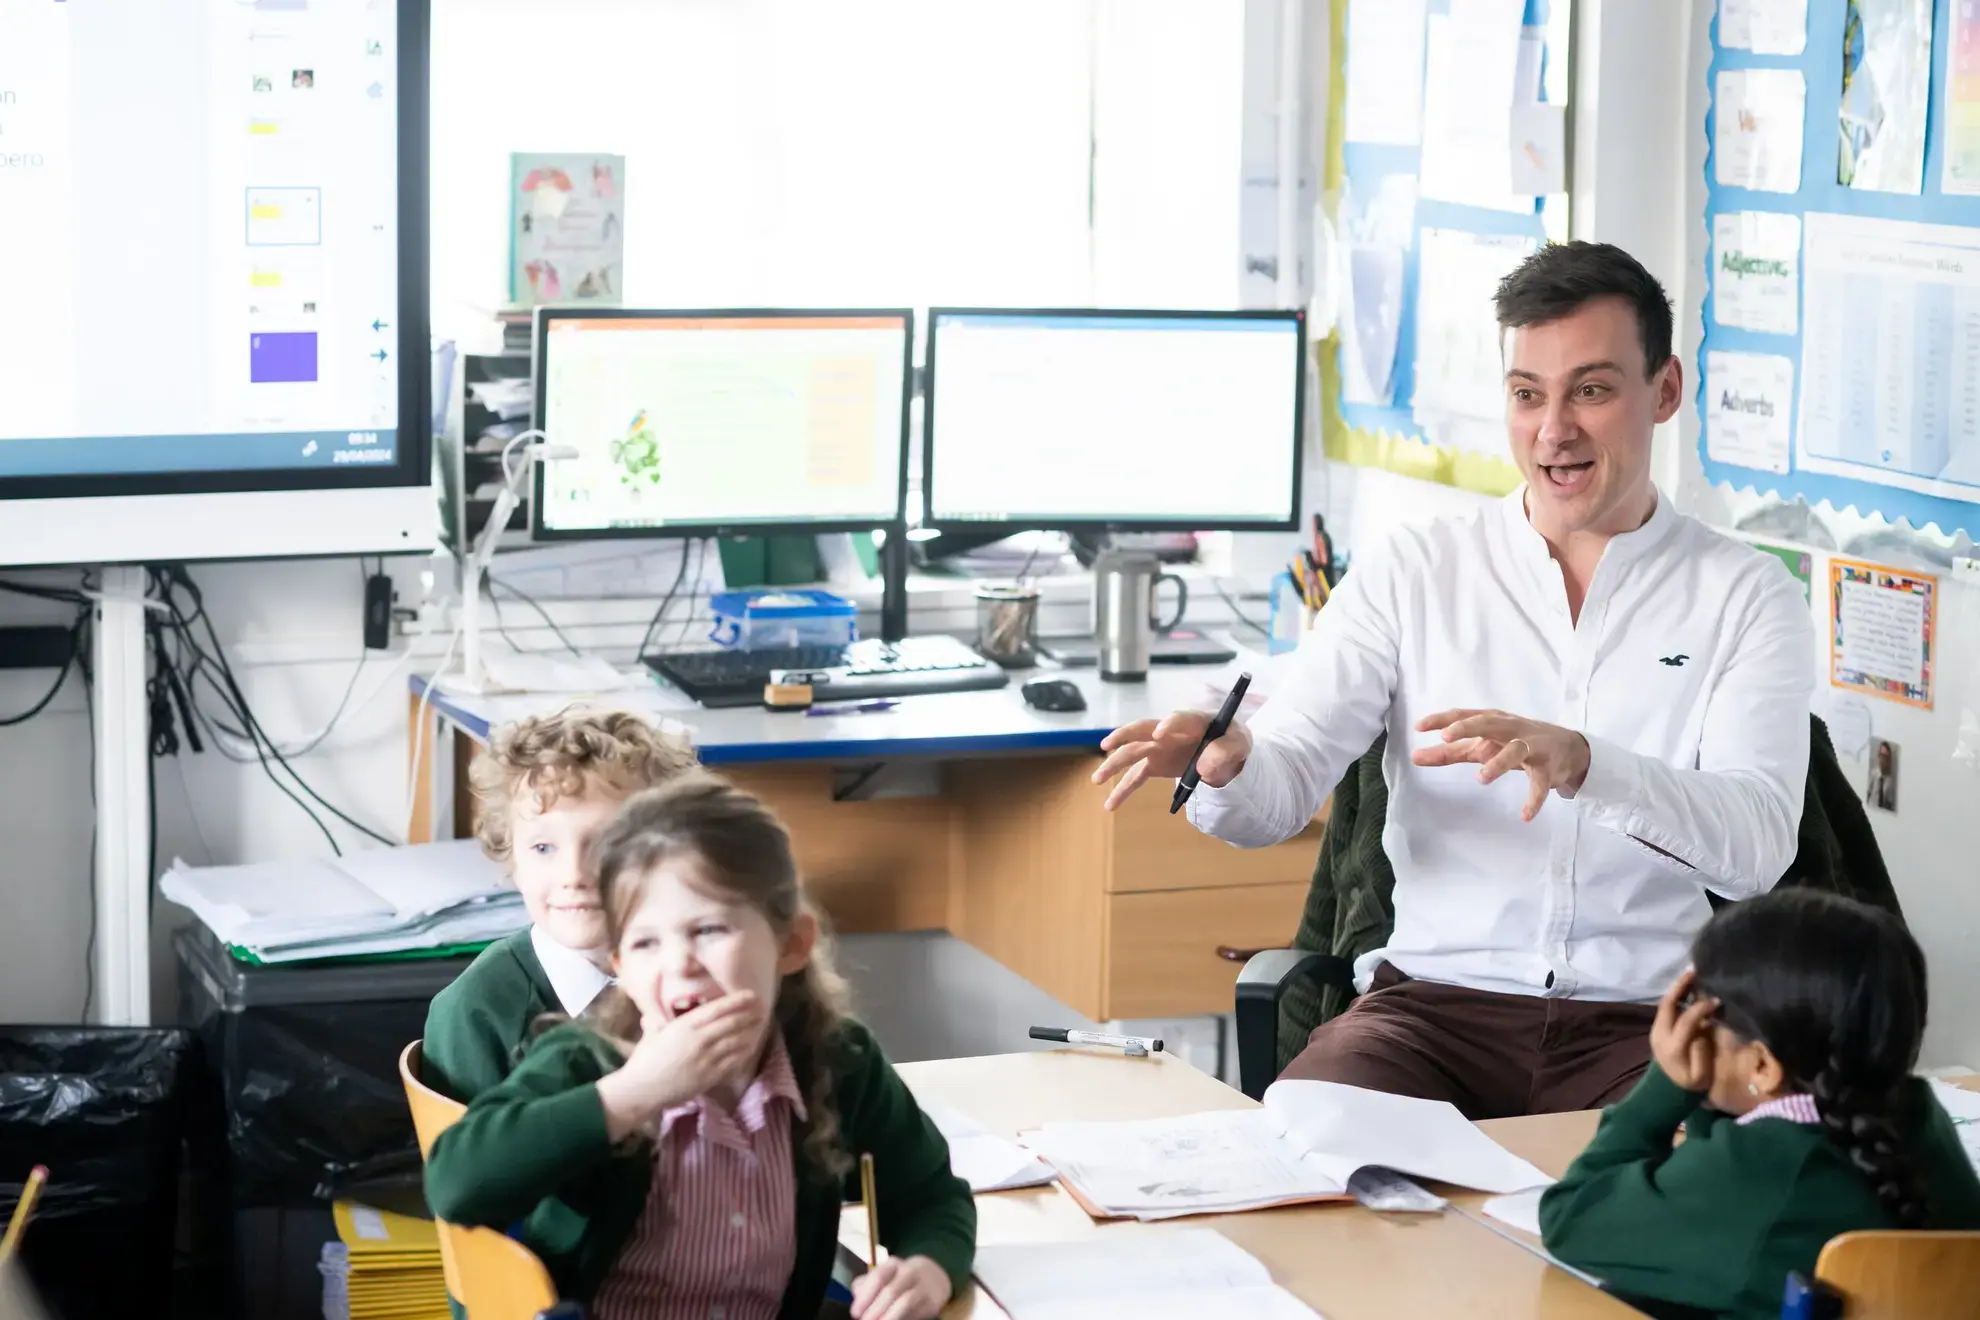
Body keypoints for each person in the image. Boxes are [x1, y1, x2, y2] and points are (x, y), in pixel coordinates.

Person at [1093, 241, 1816, 1117]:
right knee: (1306, 1148)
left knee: (1670, 1207)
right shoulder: (1416, 571)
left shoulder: (1749, 596)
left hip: (1648, 1025)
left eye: (1591, 389)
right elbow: (1276, 795)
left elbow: (1759, 851)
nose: (1555, 431)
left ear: (1663, 391)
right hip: (1430, 1013)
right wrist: (1226, 762)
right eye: (1527, 395)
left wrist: (1589, 763)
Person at [423, 774, 974, 1320]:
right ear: (623, 970)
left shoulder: (836, 1057)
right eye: (646, 942)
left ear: (792, 944)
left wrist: (928, 1266)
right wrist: (631, 1095)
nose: (679, 964)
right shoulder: (586, 1059)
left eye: (708, 930)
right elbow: (456, 1183)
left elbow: (932, 1194)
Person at [1539, 889, 1980, 1320]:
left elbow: (1572, 1217)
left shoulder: (1760, 1174)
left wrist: (1668, 1085)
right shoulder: (1919, 1118)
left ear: (1764, 1065)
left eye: (1700, 1011)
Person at [422, 709, 698, 1101]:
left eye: (607, 843)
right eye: (543, 847)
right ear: (513, 861)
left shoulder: (703, 971)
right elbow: (464, 1160)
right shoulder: (474, 1013)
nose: (574, 874)